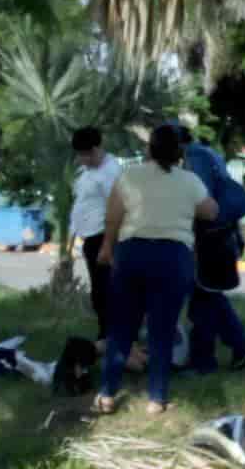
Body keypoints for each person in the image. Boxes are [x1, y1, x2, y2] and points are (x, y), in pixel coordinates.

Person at [93, 124, 217, 415]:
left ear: (148, 148)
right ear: (179, 152)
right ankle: (156, 399)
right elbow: (211, 211)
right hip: (173, 257)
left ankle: (107, 394)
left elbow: (112, 217)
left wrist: (108, 247)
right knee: (162, 330)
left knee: (122, 327)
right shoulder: (189, 180)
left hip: (132, 253)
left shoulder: (129, 175)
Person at [176, 126, 245, 374]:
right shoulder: (206, 154)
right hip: (218, 236)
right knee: (210, 295)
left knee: (202, 300)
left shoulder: (196, 158)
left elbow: (204, 201)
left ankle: (203, 362)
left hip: (210, 239)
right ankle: (242, 346)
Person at [70, 126, 122, 345]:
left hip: (104, 237)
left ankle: (113, 337)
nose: (83, 159)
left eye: (86, 154)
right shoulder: (86, 171)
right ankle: (105, 334)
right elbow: (81, 203)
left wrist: (108, 245)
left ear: (97, 149)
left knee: (107, 292)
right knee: (99, 293)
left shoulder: (111, 172)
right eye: (80, 155)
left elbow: (116, 209)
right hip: (89, 238)